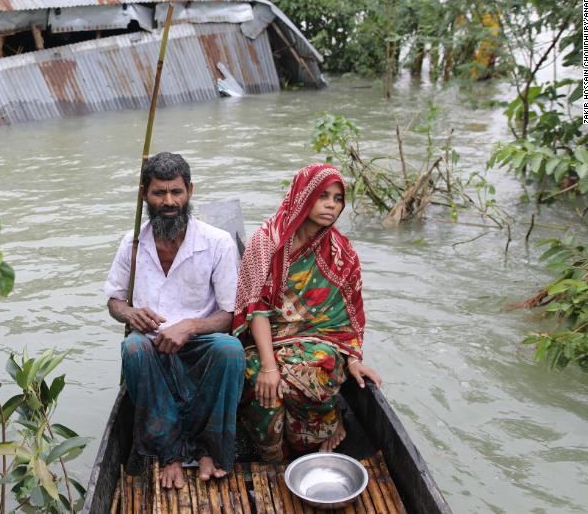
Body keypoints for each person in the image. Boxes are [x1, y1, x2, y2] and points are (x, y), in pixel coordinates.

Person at [104, 152, 245, 489]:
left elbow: (228, 315)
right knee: (133, 349)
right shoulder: (132, 243)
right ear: (144, 195)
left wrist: (191, 326)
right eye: (159, 193)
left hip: (200, 341)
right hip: (152, 342)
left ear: (190, 192)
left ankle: (212, 449)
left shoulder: (217, 242)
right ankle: (169, 453)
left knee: (231, 351)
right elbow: (114, 301)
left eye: (176, 192)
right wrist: (129, 312)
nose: (169, 202)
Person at [232, 163, 383, 462]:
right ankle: (274, 456)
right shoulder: (267, 241)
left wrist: (353, 359)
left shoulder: (342, 253)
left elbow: (349, 315)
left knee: (319, 370)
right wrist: (268, 366)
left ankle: (320, 430)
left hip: (318, 342)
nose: (330, 204)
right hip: (264, 340)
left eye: (337, 199)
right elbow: (256, 308)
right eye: (322, 195)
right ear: (303, 195)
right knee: (261, 386)